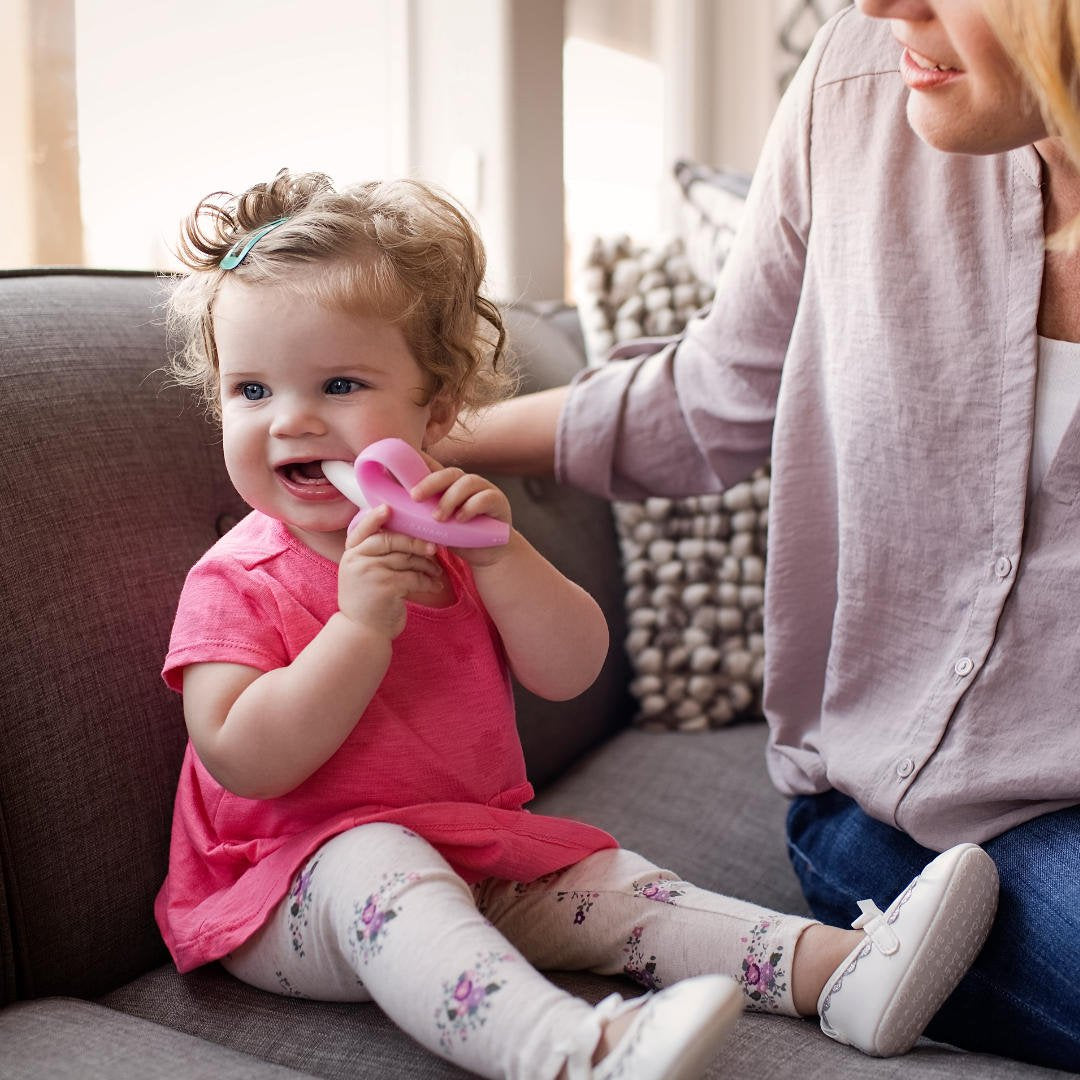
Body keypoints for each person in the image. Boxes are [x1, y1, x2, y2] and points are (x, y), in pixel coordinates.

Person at [156, 170, 998, 1080]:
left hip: (474, 856)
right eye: (250, 391)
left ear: (434, 414)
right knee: (378, 856)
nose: (292, 420)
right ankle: (569, 1052)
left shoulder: (448, 547)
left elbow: (572, 667)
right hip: (282, 891)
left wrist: (501, 556)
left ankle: (838, 972)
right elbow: (244, 756)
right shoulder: (236, 578)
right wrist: (358, 629)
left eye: (340, 382)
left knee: (618, 887)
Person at [437, 1, 1080, 1072]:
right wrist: (442, 439)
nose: (878, 4)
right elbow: (710, 398)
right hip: (903, 821)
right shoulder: (859, 86)